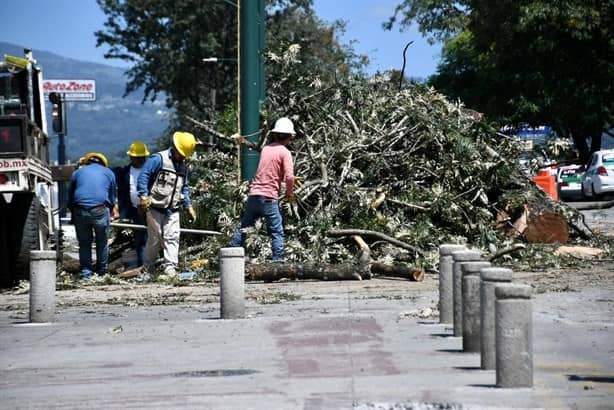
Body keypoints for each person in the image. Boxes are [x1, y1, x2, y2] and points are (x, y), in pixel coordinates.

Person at [230, 117, 299, 261]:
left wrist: (281, 180)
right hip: (268, 199)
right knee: (276, 232)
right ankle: (277, 263)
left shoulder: (266, 149)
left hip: (254, 195)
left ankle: (230, 256)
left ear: (274, 134)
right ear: (290, 137)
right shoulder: (285, 152)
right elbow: (290, 177)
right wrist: (289, 194)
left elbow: (268, 172)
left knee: (244, 227)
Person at [137, 131, 197, 277]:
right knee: (154, 239)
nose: (183, 157)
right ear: (175, 148)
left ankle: (170, 267)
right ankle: (148, 266)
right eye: (181, 154)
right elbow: (144, 175)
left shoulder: (183, 166)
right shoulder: (158, 159)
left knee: (173, 236)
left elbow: (185, 186)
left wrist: (188, 205)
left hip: (173, 208)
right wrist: (143, 195)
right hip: (155, 207)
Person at [67, 152, 117, 279]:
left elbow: (70, 196)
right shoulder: (109, 173)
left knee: (84, 242)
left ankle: (86, 273)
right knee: (102, 242)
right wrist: (109, 212)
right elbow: (112, 197)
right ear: (103, 163)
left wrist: (73, 213)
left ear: (87, 162)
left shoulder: (77, 173)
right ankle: (102, 271)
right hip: (100, 210)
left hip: (80, 210)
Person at [112, 141, 150, 267]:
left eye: (141, 158)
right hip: (132, 210)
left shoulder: (152, 171)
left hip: (150, 209)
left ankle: (148, 263)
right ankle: (141, 264)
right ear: (131, 157)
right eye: (137, 157)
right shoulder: (123, 173)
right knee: (139, 239)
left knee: (149, 238)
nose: (140, 160)